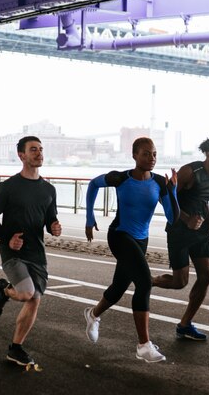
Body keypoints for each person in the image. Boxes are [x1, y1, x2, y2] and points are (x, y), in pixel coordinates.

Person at [83, 137, 179, 363]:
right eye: (146, 154)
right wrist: (89, 218)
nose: (151, 158)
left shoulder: (160, 183)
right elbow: (93, 185)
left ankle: (93, 314)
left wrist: (173, 191)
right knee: (144, 281)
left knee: (119, 287)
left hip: (141, 240)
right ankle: (144, 345)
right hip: (119, 235)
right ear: (135, 156)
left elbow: (173, 218)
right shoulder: (120, 178)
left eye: (154, 154)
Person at [0, 136, 61, 366]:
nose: (39, 153)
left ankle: (15, 348)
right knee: (27, 292)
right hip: (13, 252)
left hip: (37, 253)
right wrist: (7, 240)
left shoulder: (49, 189)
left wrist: (54, 226)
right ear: (21, 155)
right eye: (33, 150)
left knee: (34, 300)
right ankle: (4, 290)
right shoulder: (8, 187)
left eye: (40, 149)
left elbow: (50, 219)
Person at [152, 135, 209, 341]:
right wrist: (186, 219)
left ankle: (185, 324)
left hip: (201, 231)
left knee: (206, 276)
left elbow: (203, 200)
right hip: (179, 231)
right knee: (180, 282)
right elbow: (166, 198)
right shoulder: (190, 171)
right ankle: (149, 280)